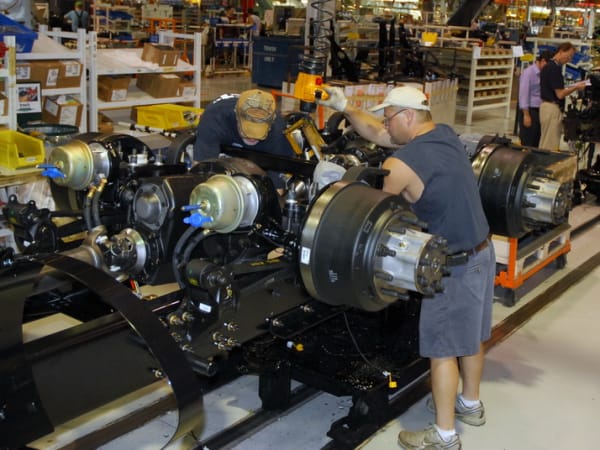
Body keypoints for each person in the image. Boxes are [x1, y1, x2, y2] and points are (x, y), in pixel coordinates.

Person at [317, 85, 495, 450]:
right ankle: (469, 404)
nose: (385, 124)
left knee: (442, 350)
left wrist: (334, 186)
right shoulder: (443, 134)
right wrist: (347, 107)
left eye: (389, 117)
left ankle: (444, 436)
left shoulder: (402, 164)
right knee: (470, 336)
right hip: (482, 252)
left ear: (408, 116)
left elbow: (367, 209)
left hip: (452, 267)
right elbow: (381, 135)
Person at [193, 89, 295, 189]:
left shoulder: (279, 133)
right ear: (236, 116)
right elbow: (201, 171)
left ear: (270, 124)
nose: (252, 137)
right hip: (223, 133)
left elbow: (277, 189)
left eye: (258, 132)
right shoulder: (215, 117)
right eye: (248, 131)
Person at [539, 42, 587, 150]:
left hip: (547, 107)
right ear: (561, 51)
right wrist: (576, 87)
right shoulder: (554, 68)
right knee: (549, 146)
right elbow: (560, 94)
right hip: (552, 109)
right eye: (569, 56)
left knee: (546, 142)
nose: (569, 59)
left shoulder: (549, 66)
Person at [518, 50, 553, 147]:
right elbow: (523, 95)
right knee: (528, 142)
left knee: (537, 141)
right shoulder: (528, 73)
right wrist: (526, 115)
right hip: (530, 110)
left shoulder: (544, 73)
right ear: (543, 61)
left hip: (540, 110)